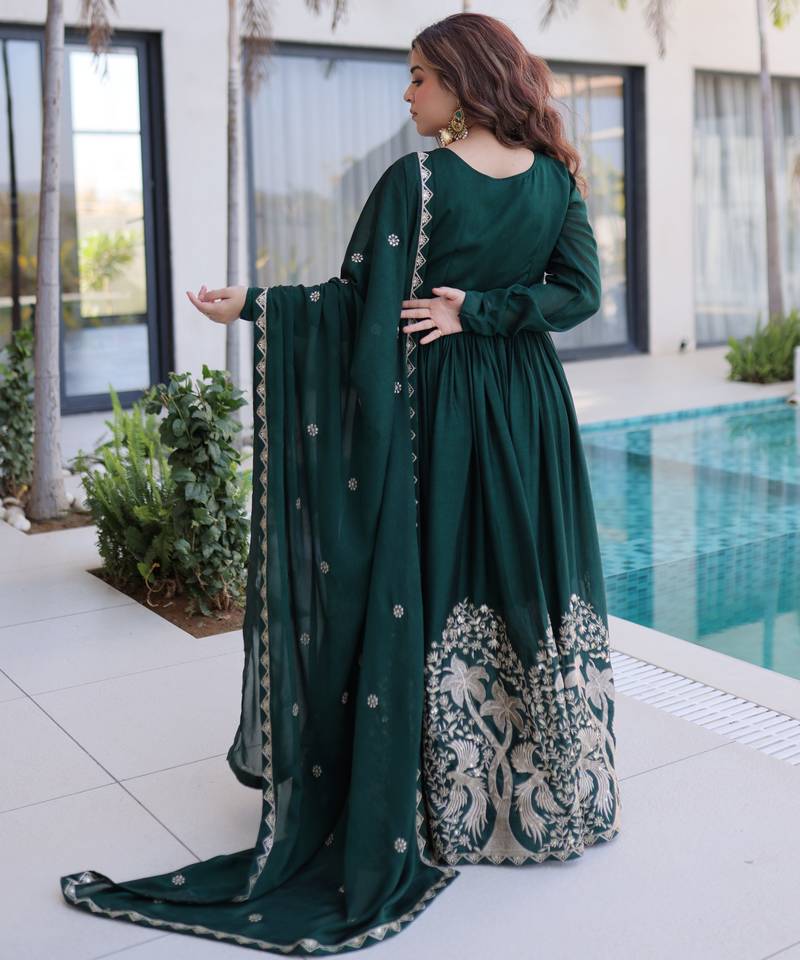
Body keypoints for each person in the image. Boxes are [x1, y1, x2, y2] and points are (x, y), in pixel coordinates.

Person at [60, 11, 622, 955]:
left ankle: (441, 803)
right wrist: (495, 311)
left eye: (419, 76)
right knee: (518, 575)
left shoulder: (421, 182)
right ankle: (542, 795)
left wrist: (262, 306)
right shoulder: (554, 179)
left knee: (440, 579)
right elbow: (579, 294)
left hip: (442, 412)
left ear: (462, 83)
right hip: (529, 408)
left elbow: (357, 305)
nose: (408, 93)